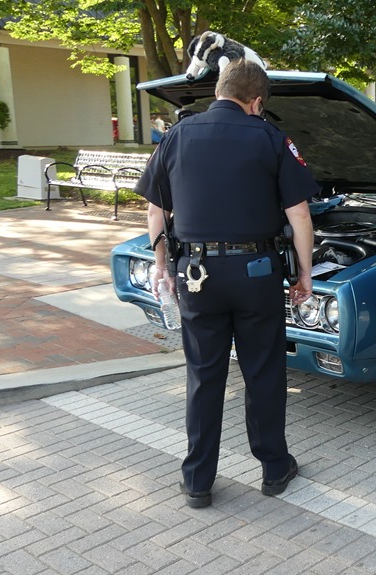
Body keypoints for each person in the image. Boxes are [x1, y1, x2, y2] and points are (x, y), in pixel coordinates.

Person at [136, 59, 317, 508]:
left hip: (196, 275)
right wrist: (304, 275)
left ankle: (198, 481)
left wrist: (163, 266)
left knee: (203, 376)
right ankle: (275, 469)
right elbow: (300, 217)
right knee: (262, 372)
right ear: (256, 101)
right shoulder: (272, 138)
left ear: (218, 91)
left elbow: (156, 210)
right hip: (256, 273)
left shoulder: (176, 135)